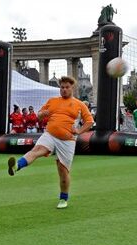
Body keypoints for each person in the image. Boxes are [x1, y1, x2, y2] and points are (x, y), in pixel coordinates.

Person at [7, 76, 94, 209]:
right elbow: (40, 114)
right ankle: (16, 167)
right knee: (35, 151)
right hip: (50, 135)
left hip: (67, 141)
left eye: (67, 87)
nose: (64, 90)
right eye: (62, 87)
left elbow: (89, 121)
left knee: (63, 172)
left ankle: (63, 198)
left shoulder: (80, 104)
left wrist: (79, 131)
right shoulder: (52, 101)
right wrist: (42, 114)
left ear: (72, 88)